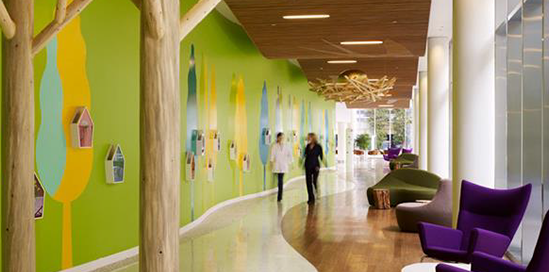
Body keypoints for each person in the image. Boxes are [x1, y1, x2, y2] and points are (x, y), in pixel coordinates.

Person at [270, 132, 293, 201]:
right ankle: (279, 196)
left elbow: (290, 155)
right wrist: (271, 163)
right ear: (277, 138)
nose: (281, 138)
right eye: (280, 137)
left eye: (282, 137)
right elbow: (272, 155)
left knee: (280, 180)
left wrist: (289, 162)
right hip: (277, 165)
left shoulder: (287, 146)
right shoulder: (274, 146)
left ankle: (279, 196)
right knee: (280, 180)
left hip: (284, 165)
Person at [303, 133, 323, 205]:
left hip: (315, 166)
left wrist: (319, 166)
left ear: (313, 138)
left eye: (309, 137)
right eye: (308, 137)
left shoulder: (318, 146)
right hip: (308, 165)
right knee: (308, 182)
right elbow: (305, 155)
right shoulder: (307, 146)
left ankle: (316, 193)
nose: (308, 138)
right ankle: (310, 198)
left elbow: (321, 157)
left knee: (314, 181)